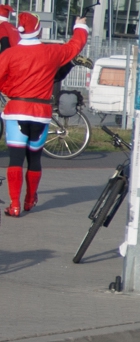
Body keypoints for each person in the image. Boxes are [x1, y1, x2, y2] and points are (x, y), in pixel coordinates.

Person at [0, 13, 89, 216]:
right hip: (41, 112)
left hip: (16, 109)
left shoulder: (9, 54)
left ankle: (14, 205)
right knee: (34, 158)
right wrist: (80, 26)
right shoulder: (51, 52)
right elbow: (75, 46)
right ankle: (30, 199)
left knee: (15, 159)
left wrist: (10, 90)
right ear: (38, 30)